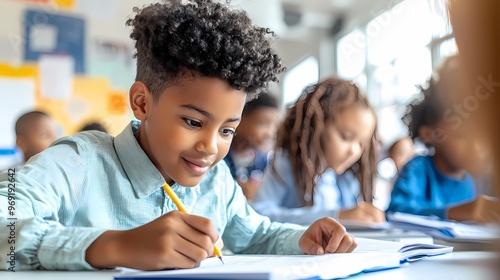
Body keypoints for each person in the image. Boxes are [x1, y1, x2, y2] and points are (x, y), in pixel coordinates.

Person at [0, 0, 356, 272]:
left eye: (227, 130)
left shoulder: (215, 181)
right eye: (193, 122)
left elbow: (255, 234)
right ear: (142, 102)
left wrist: (301, 239)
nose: (210, 147)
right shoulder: (78, 161)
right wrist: (115, 246)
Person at [251, 77, 386, 225]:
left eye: (361, 143)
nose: (354, 151)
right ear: (317, 127)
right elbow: (258, 213)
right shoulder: (288, 163)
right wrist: (336, 216)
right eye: (346, 137)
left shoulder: (345, 178)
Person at [386, 55, 500, 222]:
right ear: (429, 133)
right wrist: (457, 212)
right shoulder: (417, 169)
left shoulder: (476, 179)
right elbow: (395, 212)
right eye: (462, 136)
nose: (477, 147)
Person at [224, 92, 279, 201]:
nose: (270, 132)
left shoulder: (263, 162)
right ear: (240, 119)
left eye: (273, 124)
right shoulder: (221, 157)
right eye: (263, 123)